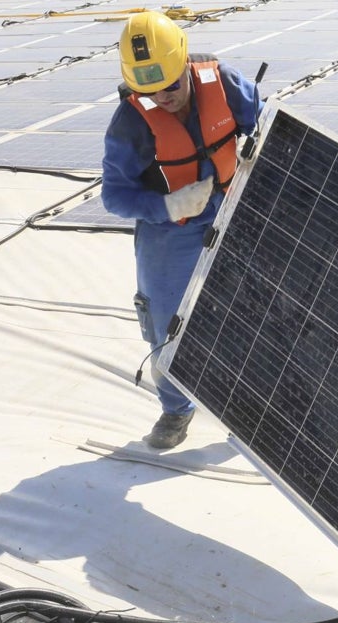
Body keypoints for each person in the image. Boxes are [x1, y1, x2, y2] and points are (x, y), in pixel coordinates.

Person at [102, 11, 262, 449]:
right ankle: (176, 408)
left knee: (263, 309)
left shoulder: (224, 82)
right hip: (171, 225)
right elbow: (114, 196)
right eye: (147, 90)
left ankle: (257, 408)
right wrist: (167, 206)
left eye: (170, 85)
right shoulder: (130, 123)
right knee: (165, 320)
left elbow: (266, 125)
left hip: (237, 207)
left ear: (185, 64)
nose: (162, 97)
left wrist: (255, 147)